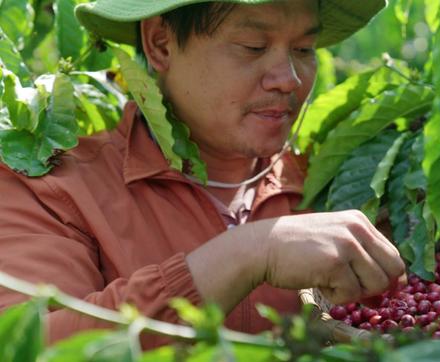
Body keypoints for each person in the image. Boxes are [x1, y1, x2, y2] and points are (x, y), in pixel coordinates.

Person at [0, 0, 405, 349]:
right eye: (253, 46)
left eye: (303, 48)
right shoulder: (52, 189)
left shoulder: (330, 178)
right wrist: (249, 252)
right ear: (161, 43)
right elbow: (33, 343)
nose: (289, 79)